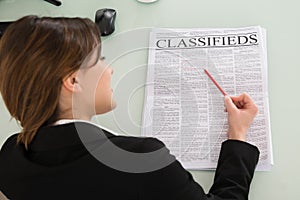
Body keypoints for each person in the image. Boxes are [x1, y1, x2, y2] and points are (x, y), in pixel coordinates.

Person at [0, 15, 259, 200]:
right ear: (73, 80)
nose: (110, 69)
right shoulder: (141, 160)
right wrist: (238, 137)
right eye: (100, 59)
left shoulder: (10, 155)